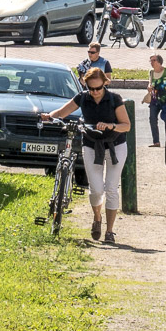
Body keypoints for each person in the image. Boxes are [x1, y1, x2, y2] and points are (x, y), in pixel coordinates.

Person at [47, 66, 132, 244]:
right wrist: (49, 116)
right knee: (96, 189)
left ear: (105, 84)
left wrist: (111, 126)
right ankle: (97, 218)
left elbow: (126, 125)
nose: (94, 92)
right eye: (90, 88)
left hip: (115, 145)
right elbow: (63, 112)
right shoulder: (83, 97)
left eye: (98, 88)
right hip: (92, 145)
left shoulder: (114, 99)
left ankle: (110, 231)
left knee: (111, 188)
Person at [143, 54, 166, 145]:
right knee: (152, 119)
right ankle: (156, 142)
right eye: (150, 61)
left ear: (159, 62)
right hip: (155, 100)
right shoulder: (151, 72)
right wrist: (149, 87)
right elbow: (150, 83)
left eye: (154, 60)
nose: (151, 63)